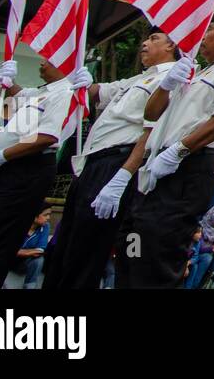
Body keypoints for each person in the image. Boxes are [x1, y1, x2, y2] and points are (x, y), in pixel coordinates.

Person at [115, 6, 214, 289]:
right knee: (134, 240)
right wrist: (166, 85)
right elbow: (152, 114)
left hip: (187, 166)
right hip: (157, 164)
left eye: (209, 29)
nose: (202, 36)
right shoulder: (198, 71)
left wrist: (179, 150)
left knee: (160, 252)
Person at [44, 28, 177, 289]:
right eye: (146, 39)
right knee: (64, 242)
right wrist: (80, 78)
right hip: (92, 162)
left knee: (86, 249)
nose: (145, 44)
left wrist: (122, 176)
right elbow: (98, 92)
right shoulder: (137, 78)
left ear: (172, 45)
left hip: (117, 163)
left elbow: (150, 132)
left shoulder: (173, 79)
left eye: (154, 39)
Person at [0, 59, 90, 290]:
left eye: (50, 59)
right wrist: (8, 81)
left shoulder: (65, 93)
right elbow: (20, 95)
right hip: (7, 168)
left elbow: (47, 136)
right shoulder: (43, 92)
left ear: (64, 65)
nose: (42, 62)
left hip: (27, 169)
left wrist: (1, 156)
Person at [185, 205, 214, 288]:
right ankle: (195, 285)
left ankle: (211, 283)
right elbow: (198, 248)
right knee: (207, 258)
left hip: (212, 252)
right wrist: (211, 248)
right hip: (200, 253)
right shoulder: (202, 225)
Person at [12, 208, 51, 289]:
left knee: (39, 260)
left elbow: (40, 250)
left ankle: (29, 286)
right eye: (45, 215)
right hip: (9, 260)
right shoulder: (17, 224)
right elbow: (7, 250)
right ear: (34, 216)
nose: (48, 217)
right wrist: (30, 251)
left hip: (25, 261)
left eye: (49, 214)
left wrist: (20, 252)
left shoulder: (45, 226)